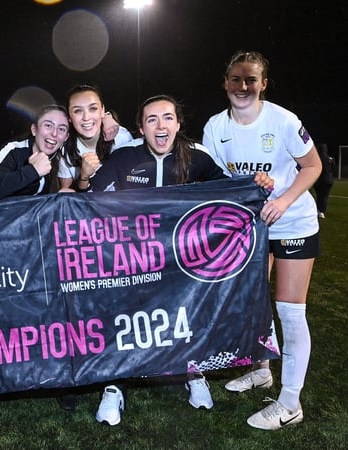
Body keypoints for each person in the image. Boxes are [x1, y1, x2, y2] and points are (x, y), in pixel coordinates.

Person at [87, 94, 274, 426]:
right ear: (140, 127)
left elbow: (230, 193)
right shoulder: (123, 157)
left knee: (186, 317)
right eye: (152, 119)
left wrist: (254, 185)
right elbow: (90, 201)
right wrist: (85, 181)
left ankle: (193, 372)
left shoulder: (196, 155)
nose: (161, 125)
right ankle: (115, 386)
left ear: (178, 123)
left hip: (181, 262)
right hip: (134, 260)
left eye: (168, 118)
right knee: (125, 321)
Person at [202, 50, 321, 430]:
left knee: (289, 309)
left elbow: (313, 165)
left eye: (251, 79)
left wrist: (283, 199)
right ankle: (261, 370)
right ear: (225, 83)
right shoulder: (214, 128)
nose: (242, 86)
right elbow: (217, 181)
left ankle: (290, 403)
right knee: (253, 302)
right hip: (251, 227)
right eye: (235, 79)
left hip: (292, 224)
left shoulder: (283, 121)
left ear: (263, 84)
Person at [0, 104, 70, 203]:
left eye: (61, 129)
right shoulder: (14, 149)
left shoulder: (61, 159)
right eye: (48, 125)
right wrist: (32, 171)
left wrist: (61, 195)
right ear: (34, 129)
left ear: (66, 137)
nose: (54, 133)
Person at [59, 84, 136, 192]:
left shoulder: (121, 137)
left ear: (102, 110)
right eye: (77, 111)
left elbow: (134, 181)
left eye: (93, 108)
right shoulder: (66, 147)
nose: (86, 117)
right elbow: (67, 196)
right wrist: (83, 177)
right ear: (69, 117)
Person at [313, 143, 335, 218]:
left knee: (319, 195)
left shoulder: (316, 158)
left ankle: (319, 210)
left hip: (318, 180)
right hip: (329, 180)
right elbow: (333, 169)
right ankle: (321, 211)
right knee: (325, 196)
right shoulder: (330, 159)